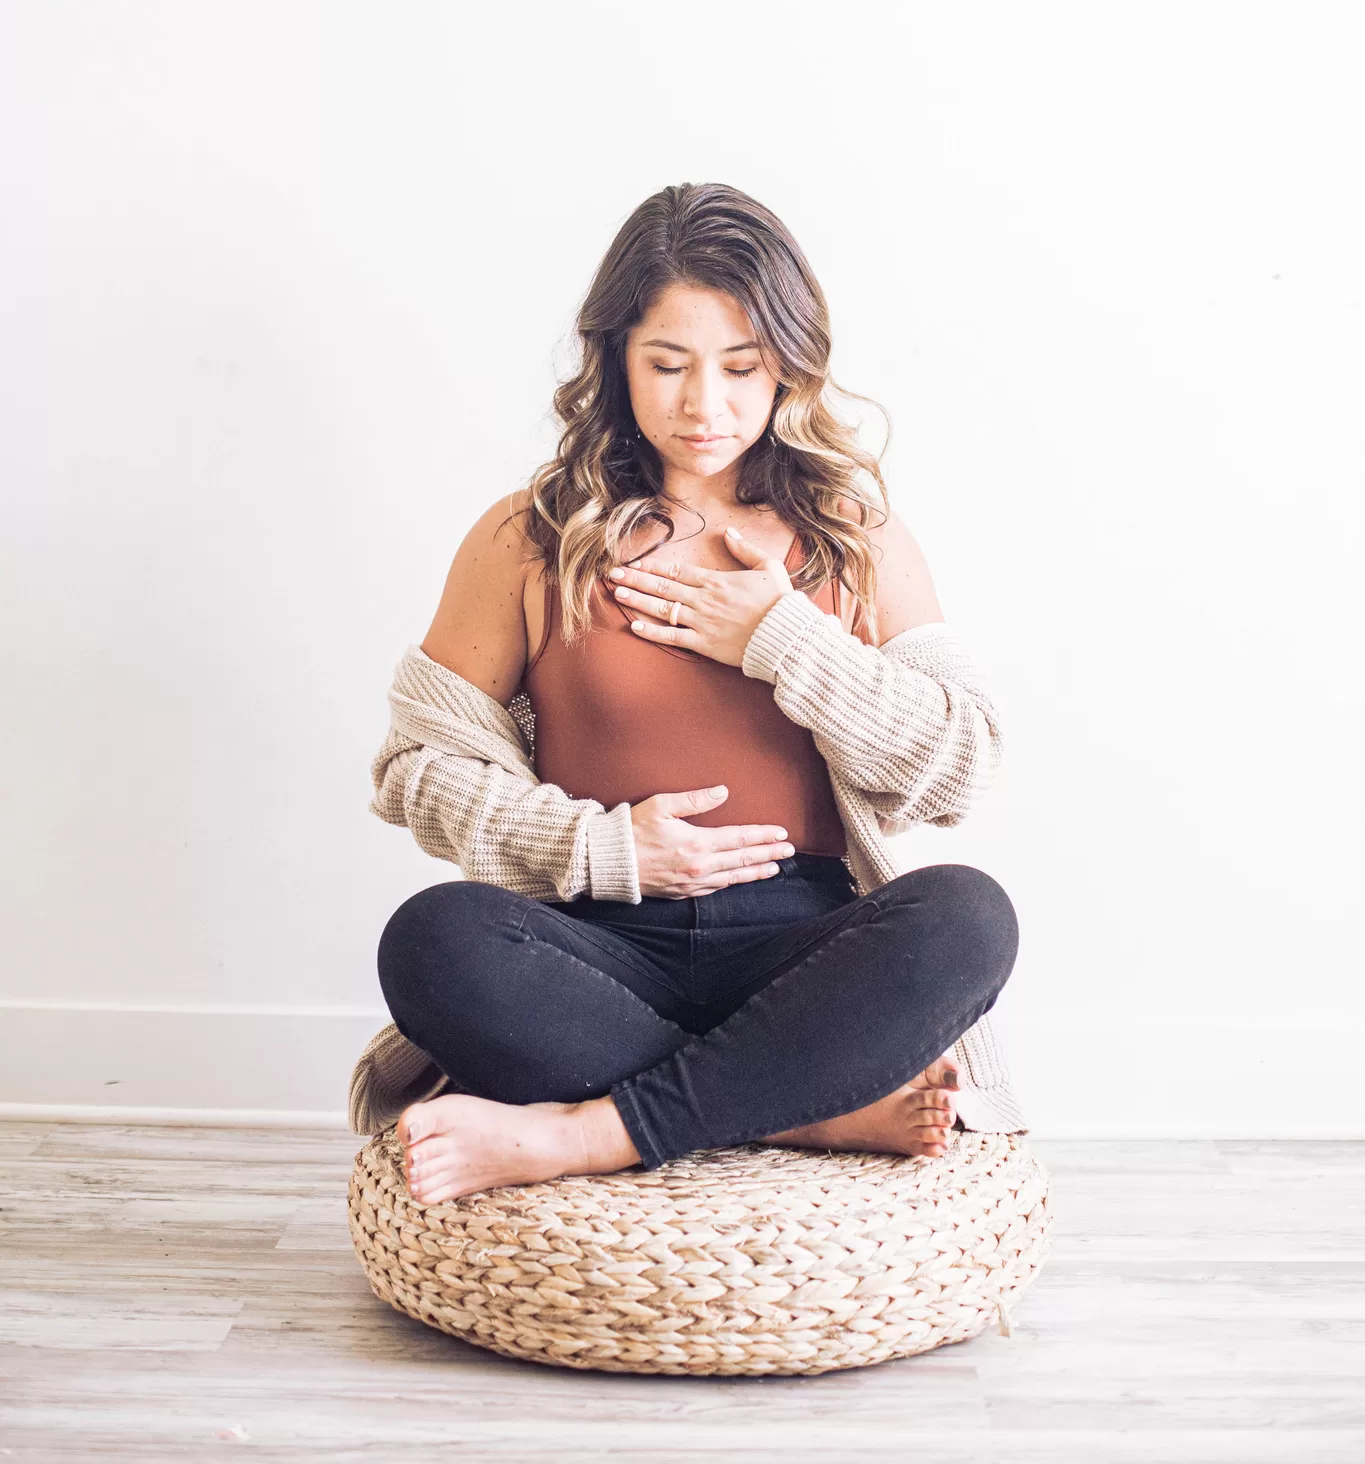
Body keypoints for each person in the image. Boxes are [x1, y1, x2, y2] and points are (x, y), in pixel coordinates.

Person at [365, 181, 1022, 1207]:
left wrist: (782, 637)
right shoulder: (527, 536)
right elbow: (419, 770)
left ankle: (584, 1132)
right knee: (432, 939)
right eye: (667, 364)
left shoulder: (856, 533)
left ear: (790, 367)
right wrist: (605, 849)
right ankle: (805, 1104)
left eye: (741, 367)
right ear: (616, 356)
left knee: (969, 917)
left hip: (796, 946)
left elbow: (962, 761)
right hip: (599, 943)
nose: (702, 404)